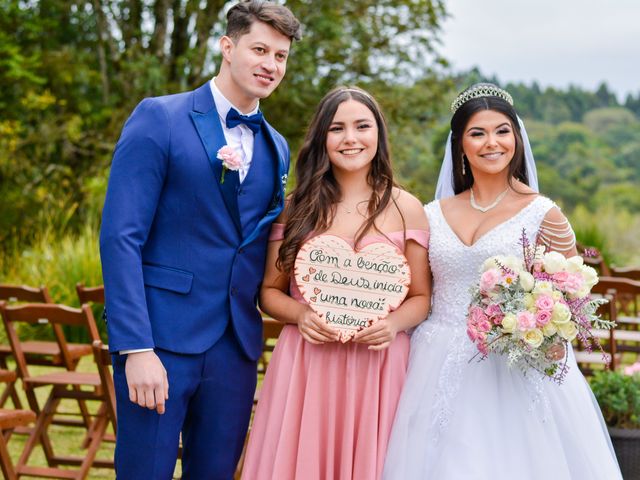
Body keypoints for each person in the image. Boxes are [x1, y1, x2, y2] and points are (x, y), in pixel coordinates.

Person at [99, 2, 301, 477]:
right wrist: (136, 347)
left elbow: (261, 239)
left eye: (281, 55)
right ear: (227, 47)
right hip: (159, 342)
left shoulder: (277, 145)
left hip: (234, 347)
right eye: (259, 49)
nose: (270, 65)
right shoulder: (160, 118)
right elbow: (120, 237)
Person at [382, 83, 622, 479]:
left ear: (517, 138)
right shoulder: (431, 214)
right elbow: (417, 293)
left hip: (512, 368)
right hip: (432, 364)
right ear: (460, 144)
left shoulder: (543, 214)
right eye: (478, 133)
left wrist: (541, 330)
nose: (491, 142)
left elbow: (572, 302)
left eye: (502, 131)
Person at [240, 86, 431, 480]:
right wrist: (299, 314)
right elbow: (269, 292)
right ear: (321, 138)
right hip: (308, 362)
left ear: (378, 134)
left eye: (362, 126)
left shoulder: (405, 207)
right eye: (337, 128)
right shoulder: (295, 207)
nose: (350, 138)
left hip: (379, 364)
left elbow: (422, 297)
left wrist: (393, 325)